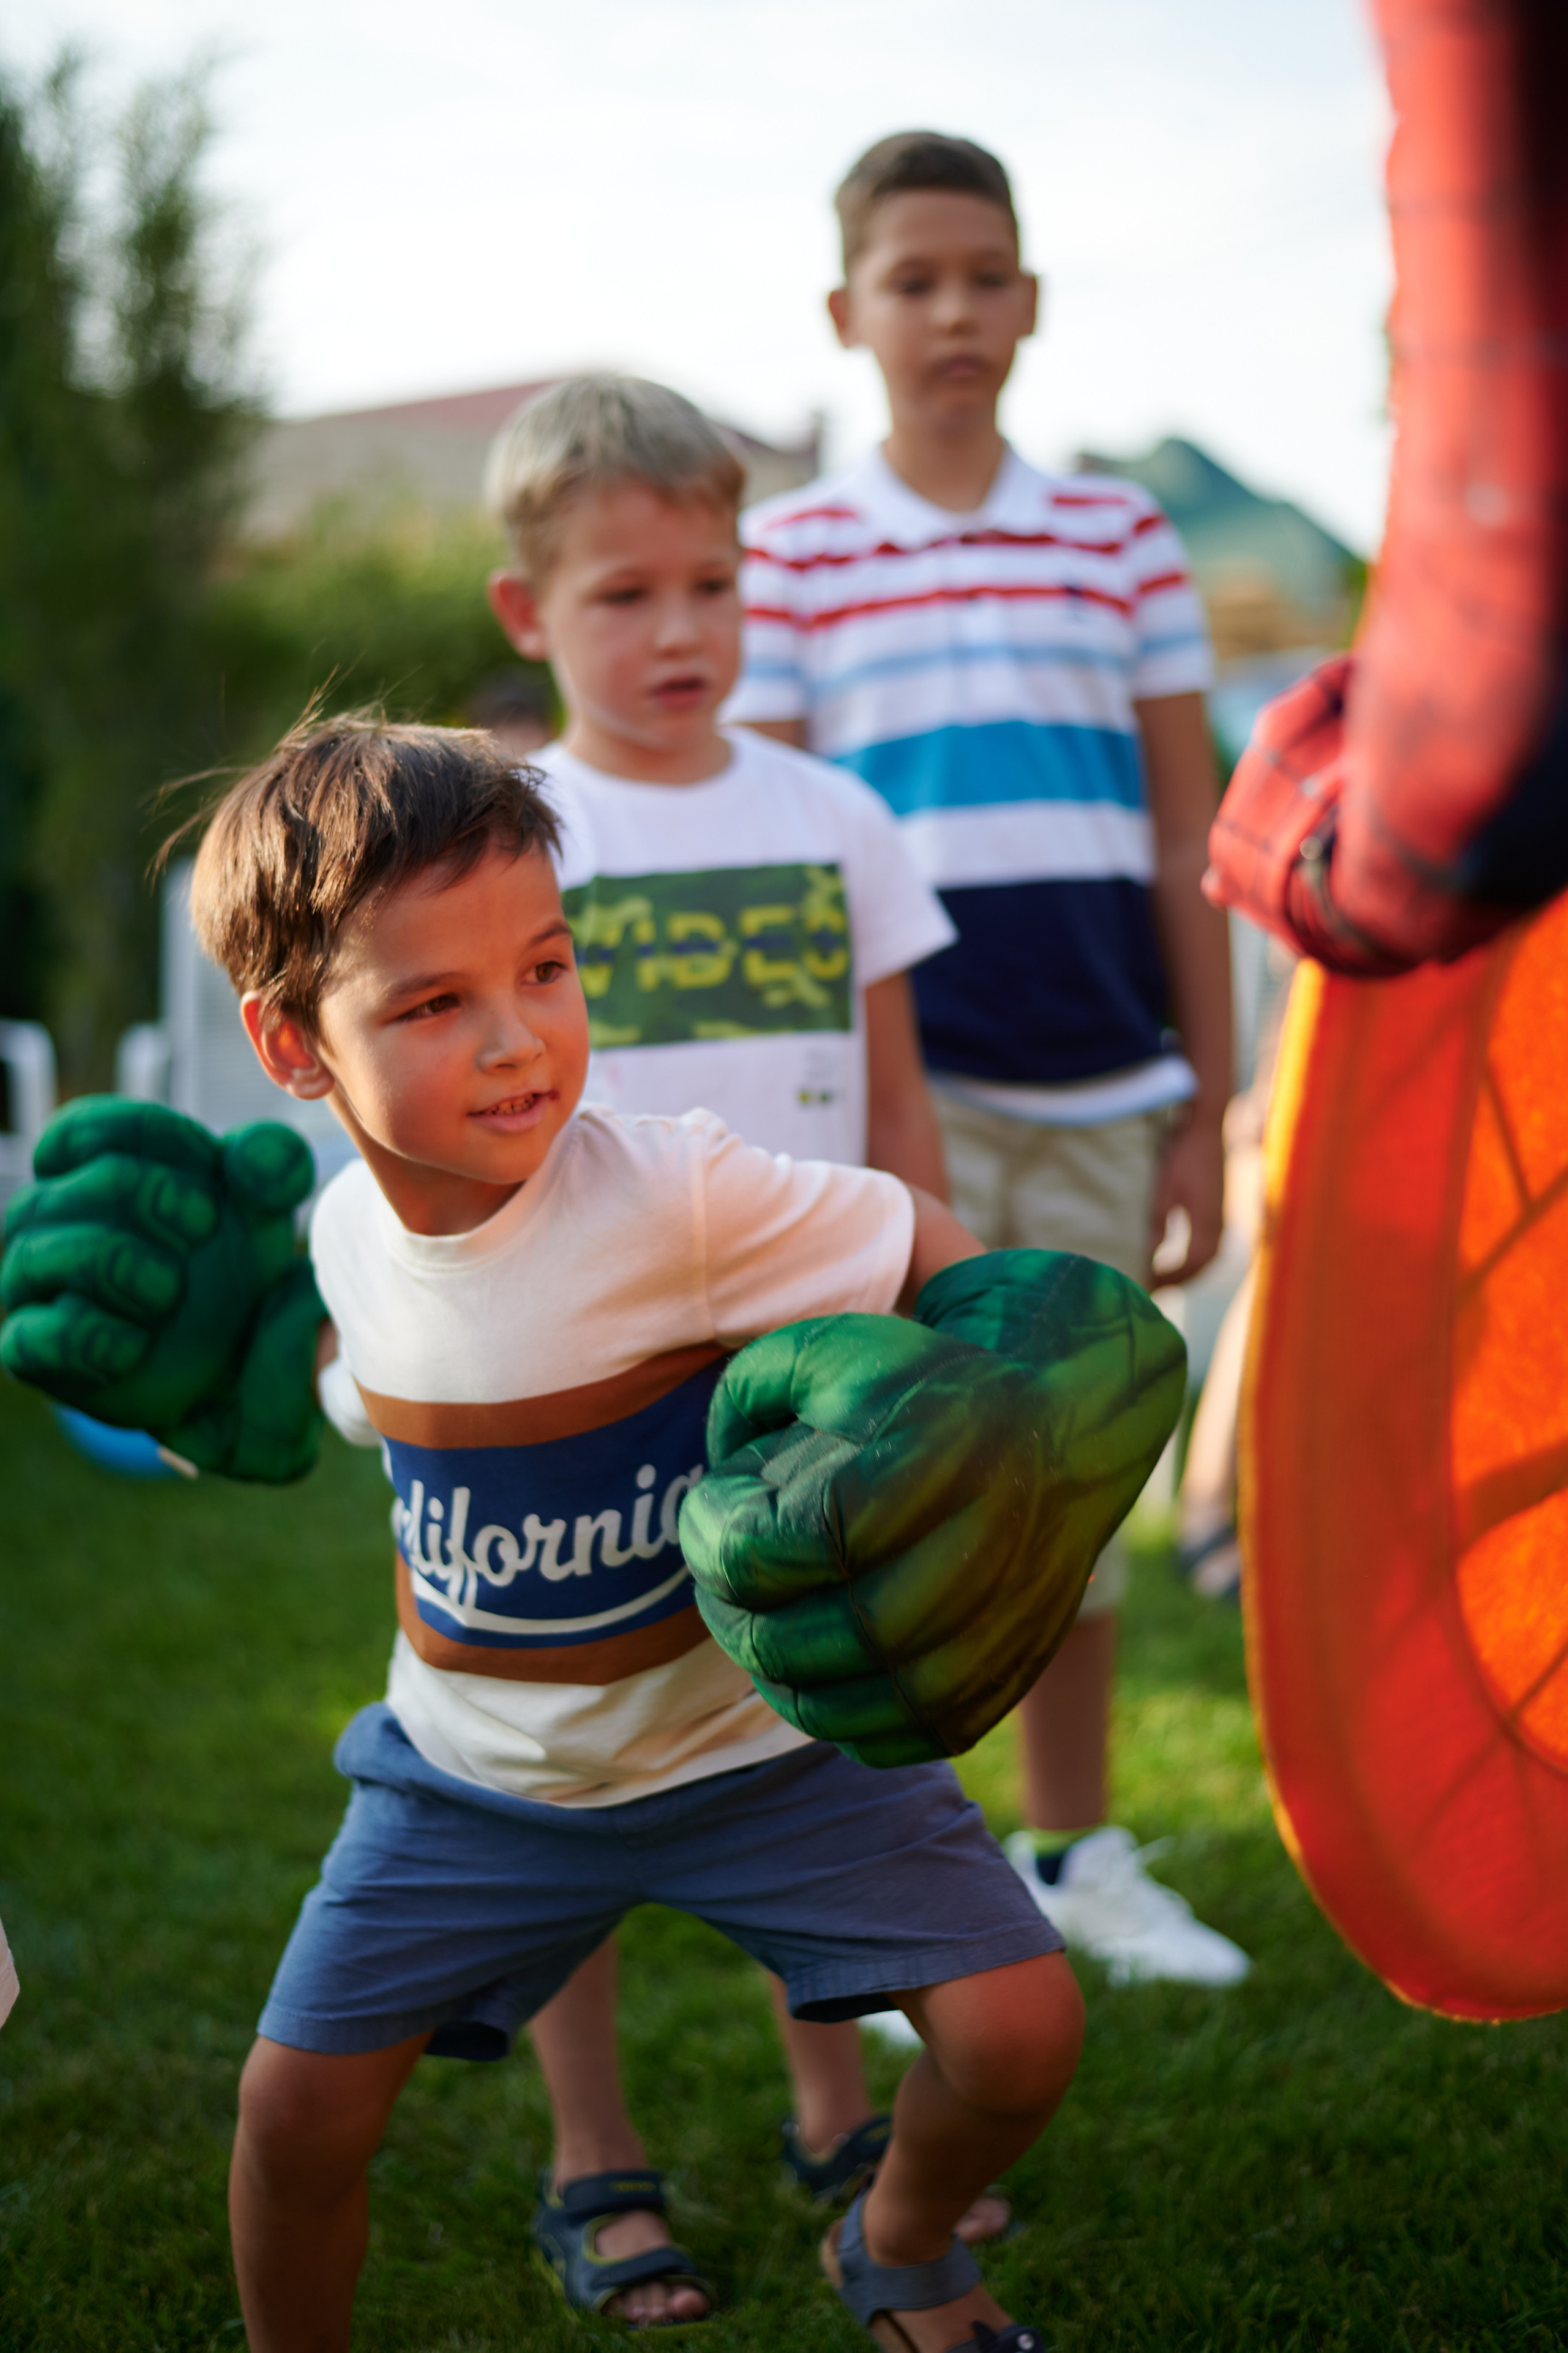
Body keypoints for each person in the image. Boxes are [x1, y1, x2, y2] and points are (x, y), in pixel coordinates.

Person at [175, 713, 1080, 2353]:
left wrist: (996, 1398)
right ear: (294, 1047)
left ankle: (901, 2242)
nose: (521, 1037)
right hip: (471, 1783)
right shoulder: (344, 1238)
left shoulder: (682, 1195)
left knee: (1022, 2033)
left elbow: (926, 1239)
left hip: (761, 1755)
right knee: (293, 2115)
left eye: (547, 965)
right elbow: (377, 1404)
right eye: (437, 1002)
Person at [480, 372, 1010, 2316]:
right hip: (572, 1385)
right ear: (529, 611)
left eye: (713, 581)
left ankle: (833, 2099)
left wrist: (935, 1321)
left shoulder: (836, 815)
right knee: (565, 1764)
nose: (683, 629)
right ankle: (589, 2144)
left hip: (808, 1383)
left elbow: (899, 1106)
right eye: (626, 595)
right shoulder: (506, 828)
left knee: (814, 1744)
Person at [727, 130, 1249, 1988]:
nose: (955, 311)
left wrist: (1211, 1102)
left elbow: (1191, 828)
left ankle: (1079, 1846)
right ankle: (901, 1895)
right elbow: (782, 857)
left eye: (986, 276)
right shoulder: (780, 556)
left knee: (1079, 1480)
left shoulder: (1120, 534)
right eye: (915, 278)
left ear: (1029, 301)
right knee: (894, 1502)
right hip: (894, 1117)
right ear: (848, 311)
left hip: (1111, 1090)